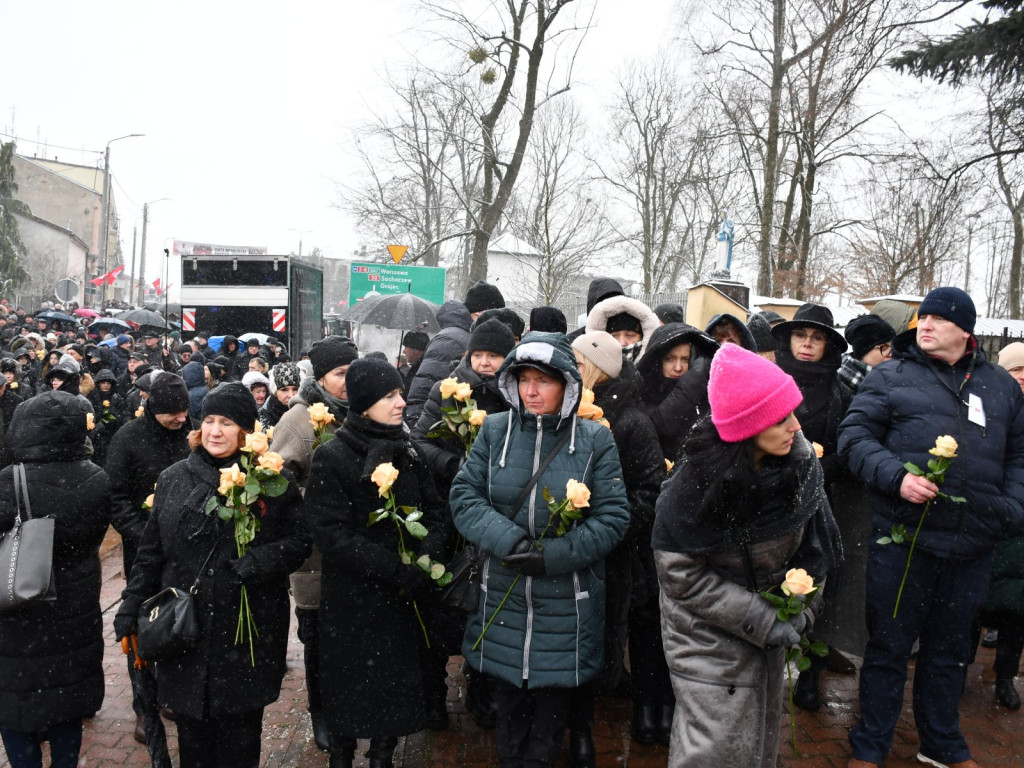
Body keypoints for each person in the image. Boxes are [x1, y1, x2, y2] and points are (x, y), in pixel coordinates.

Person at [839, 287, 1024, 768]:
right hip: (904, 541)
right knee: (888, 648)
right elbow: (854, 438)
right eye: (924, 317)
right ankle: (871, 744)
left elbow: (1020, 456)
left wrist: (1010, 508)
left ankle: (940, 743)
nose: (927, 325)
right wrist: (897, 478)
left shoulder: (1001, 387)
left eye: (940, 319)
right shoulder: (890, 377)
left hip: (973, 545)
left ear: (966, 330)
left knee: (947, 653)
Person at [652, 343, 840, 768]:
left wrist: (801, 611)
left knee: (758, 744)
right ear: (747, 426)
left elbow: (817, 552)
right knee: (713, 750)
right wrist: (762, 617)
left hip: (770, 637)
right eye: (781, 417)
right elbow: (681, 577)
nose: (796, 425)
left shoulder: (800, 465)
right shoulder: (691, 487)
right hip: (705, 640)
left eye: (794, 411)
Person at [450, 331, 630, 768]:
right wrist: (509, 540)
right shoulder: (494, 431)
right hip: (503, 598)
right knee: (509, 718)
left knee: (549, 726)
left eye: (543, 381)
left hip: (565, 605)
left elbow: (613, 519)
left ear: (568, 385)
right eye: (524, 379)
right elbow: (465, 497)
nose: (531, 391)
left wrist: (553, 556)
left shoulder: (593, 440)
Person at [114, 383, 311, 768]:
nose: (215, 431)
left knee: (239, 739)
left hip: (246, 630)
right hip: (186, 630)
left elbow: (301, 540)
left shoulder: (272, 481)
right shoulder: (173, 479)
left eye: (227, 422)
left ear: (246, 430)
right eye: (209, 420)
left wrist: (260, 561)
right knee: (193, 740)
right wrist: (131, 604)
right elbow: (151, 552)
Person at [304, 357, 449, 768]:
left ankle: (384, 753)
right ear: (365, 403)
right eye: (390, 395)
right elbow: (330, 533)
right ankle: (343, 753)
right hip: (353, 598)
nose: (401, 402)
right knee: (349, 682)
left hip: (402, 597)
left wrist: (425, 560)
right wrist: (391, 567)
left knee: (392, 681)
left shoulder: (409, 451)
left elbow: (437, 513)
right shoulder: (333, 456)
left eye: (401, 393)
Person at [411, 318, 516, 731]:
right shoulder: (447, 389)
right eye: (480, 355)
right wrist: (458, 465)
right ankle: (433, 694)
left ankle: (482, 686)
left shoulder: (513, 396)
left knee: (489, 604)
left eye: (495, 356)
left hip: (496, 517)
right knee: (441, 603)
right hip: (450, 513)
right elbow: (421, 442)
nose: (487, 363)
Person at [0, 391, 112, 768]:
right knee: (67, 702)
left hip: (18, 608)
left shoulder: (8, 481)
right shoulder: (97, 478)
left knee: (14, 702)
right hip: (74, 608)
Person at [570, 331, 666, 758]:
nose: (569, 371)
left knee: (617, 632)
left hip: (620, 554)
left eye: (576, 363)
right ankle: (576, 723)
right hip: (577, 549)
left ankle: (599, 723)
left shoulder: (632, 420)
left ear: (595, 369)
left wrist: (607, 523)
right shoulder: (569, 408)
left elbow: (650, 490)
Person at [271, 335, 358, 751]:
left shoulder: (359, 412)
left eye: (351, 372)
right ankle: (320, 712)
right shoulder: (299, 420)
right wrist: (319, 500)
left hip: (354, 550)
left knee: (349, 637)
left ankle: (347, 705)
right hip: (316, 555)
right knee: (318, 639)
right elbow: (275, 484)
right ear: (320, 378)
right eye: (340, 374)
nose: (348, 381)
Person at [770, 302, 855, 709]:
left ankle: (809, 672)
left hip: (823, 504)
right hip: (770, 501)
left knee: (816, 586)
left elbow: (849, 450)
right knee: (769, 584)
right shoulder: (769, 380)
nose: (807, 344)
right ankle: (766, 669)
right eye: (800, 335)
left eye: (817, 337)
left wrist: (821, 464)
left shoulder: (842, 392)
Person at [106, 371, 192, 743]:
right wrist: (145, 536)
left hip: (186, 550)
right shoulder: (128, 438)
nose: (181, 418)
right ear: (153, 408)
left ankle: (170, 693)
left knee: (177, 619)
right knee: (142, 624)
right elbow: (116, 497)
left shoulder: (191, 435)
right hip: (142, 549)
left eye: (185, 411)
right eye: (173, 412)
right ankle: (145, 704)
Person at [980, 341, 1024, 710]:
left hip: (1021, 529)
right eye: (1015, 370)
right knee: (969, 606)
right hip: (986, 522)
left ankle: (1006, 676)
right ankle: (959, 666)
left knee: (1017, 611)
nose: (1022, 377)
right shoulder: (986, 408)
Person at [635, 322, 720, 463]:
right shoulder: (643, 394)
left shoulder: (710, 398)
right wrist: (694, 381)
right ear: (658, 360)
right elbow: (658, 428)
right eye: (670, 359)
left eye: (685, 359)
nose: (678, 367)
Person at [405, 300, 473, 425]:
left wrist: (415, 422)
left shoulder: (446, 339)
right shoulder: (468, 337)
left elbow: (425, 382)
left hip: (438, 423)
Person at [585, 296, 660, 363]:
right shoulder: (588, 370)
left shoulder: (658, 369)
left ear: (644, 337)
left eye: (630, 336)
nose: (622, 343)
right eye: (614, 336)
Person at [838, 314, 895, 392]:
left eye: (893, 347)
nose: (891, 353)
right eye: (884, 348)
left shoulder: (895, 380)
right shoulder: (838, 386)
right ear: (863, 353)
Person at [261, 362, 302, 429]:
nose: (291, 395)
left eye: (295, 389)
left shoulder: (307, 414)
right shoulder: (263, 417)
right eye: (284, 390)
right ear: (275, 393)